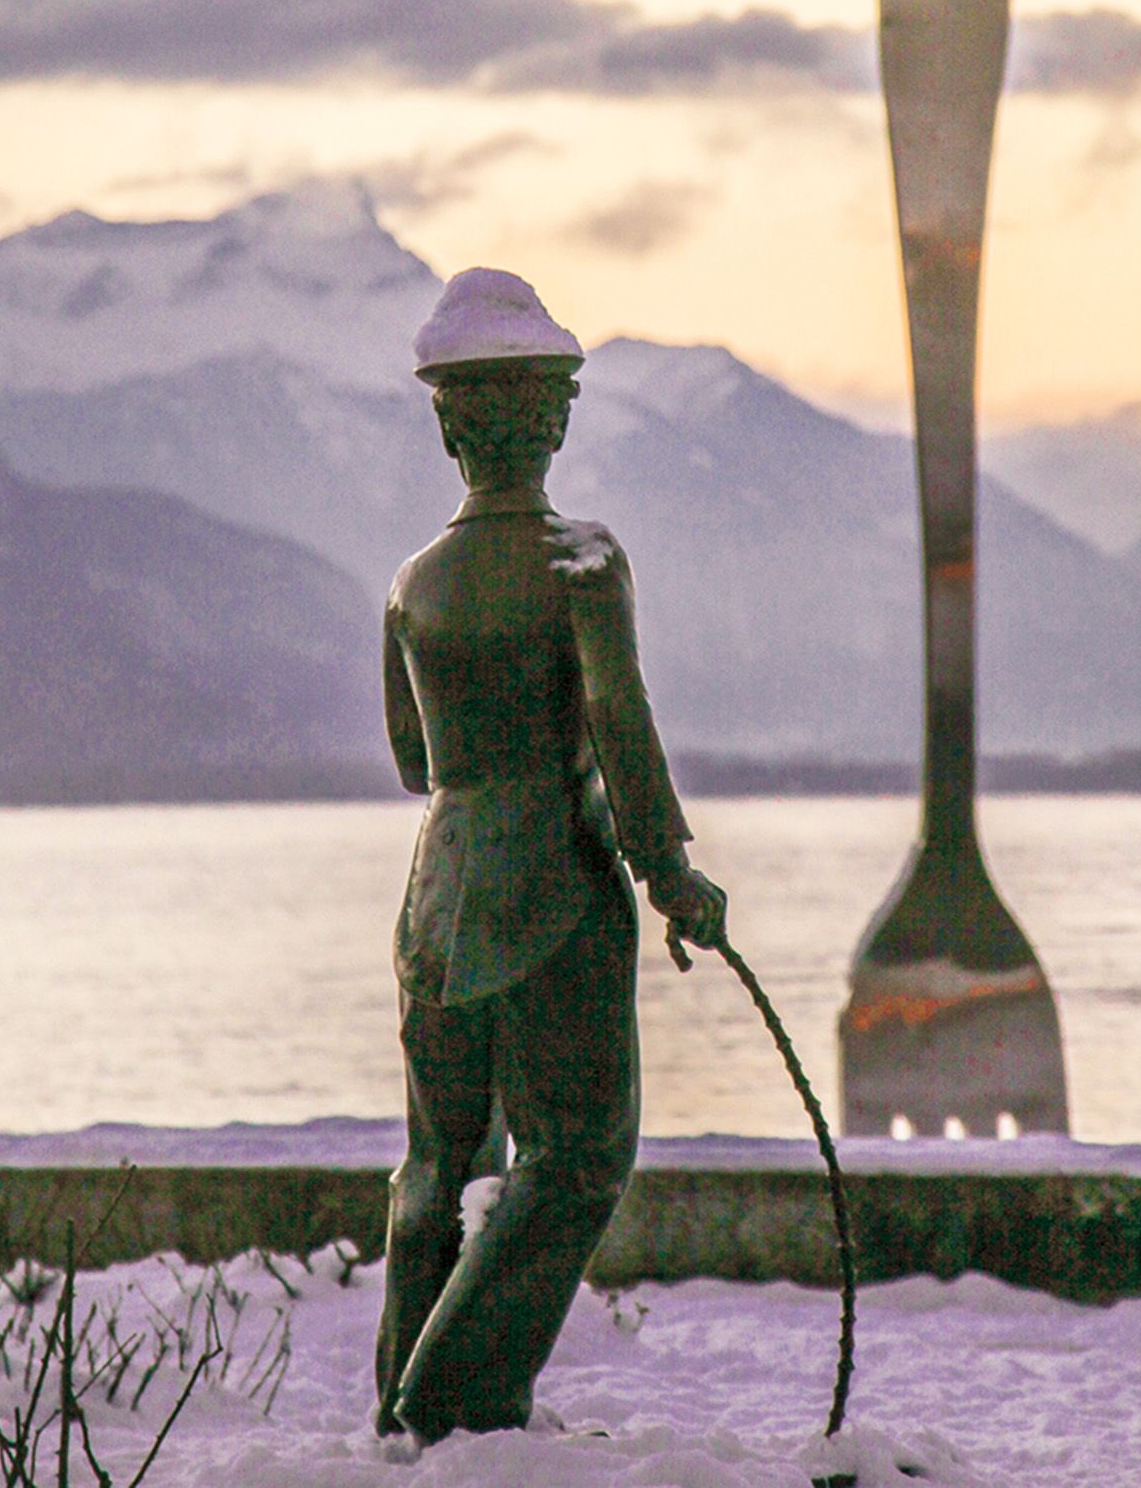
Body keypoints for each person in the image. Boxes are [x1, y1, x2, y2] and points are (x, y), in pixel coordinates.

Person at [374, 268, 727, 1444]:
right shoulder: (583, 563)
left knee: (436, 1158)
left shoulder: (412, 585)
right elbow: (621, 731)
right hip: (553, 893)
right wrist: (669, 872)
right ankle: (459, 1395)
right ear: (554, 416)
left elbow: (414, 763)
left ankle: (399, 1406)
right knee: (575, 1155)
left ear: (448, 426)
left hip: (437, 894)